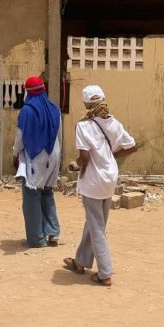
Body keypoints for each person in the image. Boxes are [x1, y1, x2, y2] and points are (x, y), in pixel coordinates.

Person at [63, 85, 137, 286]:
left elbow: (85, 157)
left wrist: (76, 164)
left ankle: (105, 273)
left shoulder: (83, 126)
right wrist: (112, 156)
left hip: (93, 180)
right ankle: (80, 262)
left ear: (86, 103)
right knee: (95, 221)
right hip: (110, 177)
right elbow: (132, 146)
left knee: (96, 226)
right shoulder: (114, 123)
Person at [12, 76, 62, 248]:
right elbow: (59, 135)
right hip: (53, 154)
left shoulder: (27, 111)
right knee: (47, 193)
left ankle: (36, 239)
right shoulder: (54, 108)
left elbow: (20, 137)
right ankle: (53, 233)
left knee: (32, 196)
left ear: (28, 92)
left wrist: (15, 154)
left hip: (35, 157)